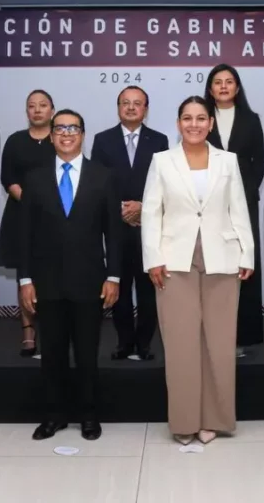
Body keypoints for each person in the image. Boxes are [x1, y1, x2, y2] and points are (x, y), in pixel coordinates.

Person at [142, 96, 254, 446]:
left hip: (223, 257)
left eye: (201, 118)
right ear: (178, 123)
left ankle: (215, 420)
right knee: (180, 344)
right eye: (187, 118)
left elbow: (239, 207)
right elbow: (150, 212)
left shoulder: (228, 161)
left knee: (219, 343)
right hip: (174, 260)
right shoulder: (162, 161)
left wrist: (247, 254)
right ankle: (185, 421)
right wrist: (152, 258)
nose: (194, 124)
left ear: (210, 123)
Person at [19, 109, 121, 442]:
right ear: (50, 135)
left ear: (82, 134)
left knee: (88, 353)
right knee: (52, 354)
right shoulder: (34, 179)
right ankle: (54, 415)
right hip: (46, 283)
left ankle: (89, 416)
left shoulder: (103, 176)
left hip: (90, 281)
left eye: (73, 128)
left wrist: (114, 277)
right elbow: (26, 235)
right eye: (59, 128)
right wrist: (25, 280)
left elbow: (114, 234)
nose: (66, 133)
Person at [91, 86, 168, 361]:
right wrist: (120, 209)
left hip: (149, 226)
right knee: (118, 287)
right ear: (118, 107)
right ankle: (124, 342)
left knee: (149, 287)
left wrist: (143, 208)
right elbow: (97, 182)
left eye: (138, 103)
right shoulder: (102, 140)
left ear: (145, 109)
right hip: (116, 225)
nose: (132, 108)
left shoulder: (159, 140)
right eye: (126, 103)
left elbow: (165, 183)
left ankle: (144, 343)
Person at [204, 64, 264, 356]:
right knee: (212, 266)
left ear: (237, 88)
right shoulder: (201, 118)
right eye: (218, 82)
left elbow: (259, 163)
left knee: (243, 267)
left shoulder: (251, 120)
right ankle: (211, 334)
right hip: (207, 204)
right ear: (211, 88)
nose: (224, 86)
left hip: (243, 203)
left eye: (230, 82)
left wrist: (243, 194)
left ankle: (242, 337)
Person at [0, 89, 56, 357]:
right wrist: (32, 201)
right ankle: (28, 334)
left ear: (52, 111)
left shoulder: (60, 139)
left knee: (52, 273)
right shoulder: (15, 140)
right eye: (32, 106)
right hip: (21, 213)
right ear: (27, 112)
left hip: (56, 217)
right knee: (26, 274)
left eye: (43, 105)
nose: (37, 110)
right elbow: (7, 177)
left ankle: (53, 334)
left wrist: (47, 205)